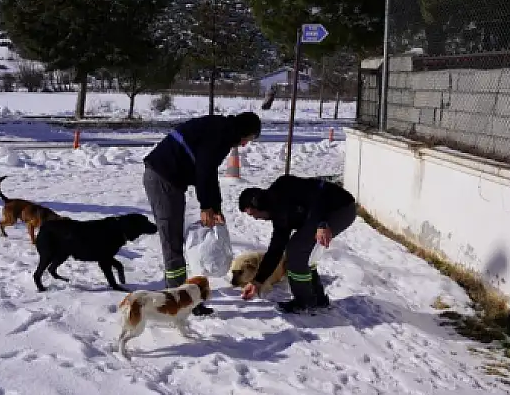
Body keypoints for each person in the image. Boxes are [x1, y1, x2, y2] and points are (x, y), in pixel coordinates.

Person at [143, 111, 263, 316]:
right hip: (162, 179)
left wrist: (215, 207)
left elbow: (210, 172)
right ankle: (176, 303)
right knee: (172, 243)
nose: (244, 145)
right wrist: (206, 205)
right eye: (248, 139)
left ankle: (182, 297)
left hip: (171, 181)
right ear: (244, 131)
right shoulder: (220, 133)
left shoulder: (222, 131)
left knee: (175, 242)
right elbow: (204, 169)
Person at [238, 174, 358, 314]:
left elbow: (319, 196)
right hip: (322, 216)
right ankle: (317, 299)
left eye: (253, 214)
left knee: (296, 250)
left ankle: (305, 302)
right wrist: (257, 281)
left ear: (257, 203)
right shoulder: (279, 217)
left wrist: (322, 223)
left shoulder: (285, 186)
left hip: (339, 207)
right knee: (301, 252)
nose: (256, 218)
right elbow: (275, 251)